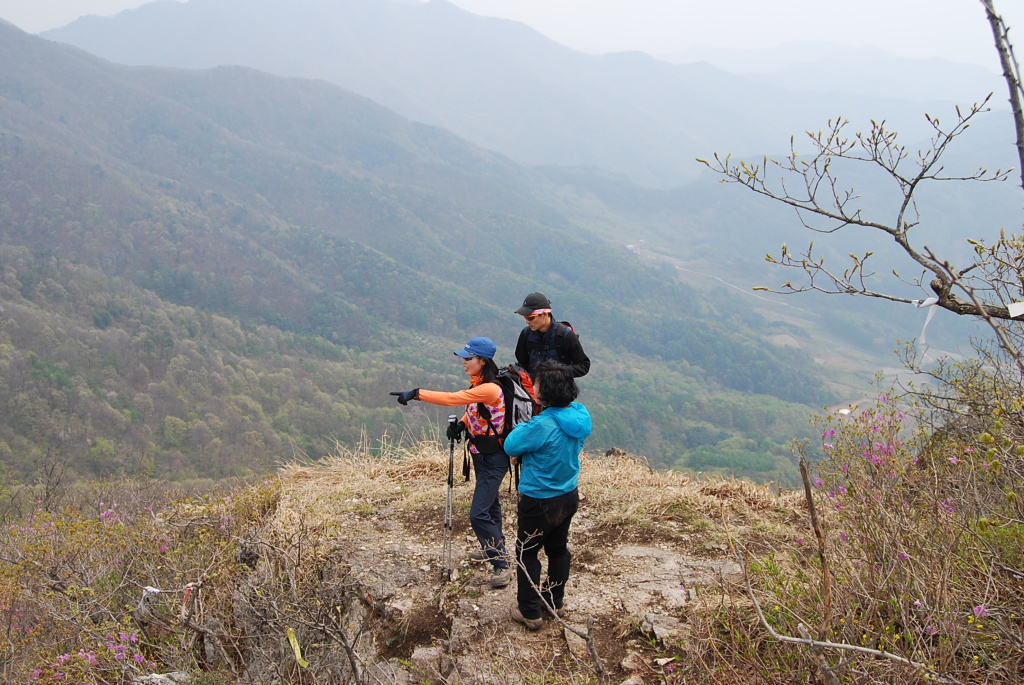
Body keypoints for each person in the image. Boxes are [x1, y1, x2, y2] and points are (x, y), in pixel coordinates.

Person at [390, 337, 513, 588]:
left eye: (468, 358)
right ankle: (492, 546)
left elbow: (453, 398)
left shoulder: (490, 388)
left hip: (494, 458)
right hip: (481, 454)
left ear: (483, 361)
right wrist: (462, 425)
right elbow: (473, 411)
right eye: (464, 358)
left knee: (478, 513)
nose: (464, 362)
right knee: (490, 507)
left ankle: (502, 562)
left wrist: (416, 394)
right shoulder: (480, 384)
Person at [503, 360, 592, 630]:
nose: (534, 386)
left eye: (538, 383)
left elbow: (511, 444)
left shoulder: (542, 425)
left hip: (538, 499)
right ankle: (554, 601)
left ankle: (529, 612)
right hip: (568, 493)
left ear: (546, 392)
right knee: (557, 548)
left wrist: (524, 442)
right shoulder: (579, 415)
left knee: (527, 553)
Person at [514, 292, 590, 379]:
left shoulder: (566, 335)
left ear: (544, 314)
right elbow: (522, 362)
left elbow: (584, 365)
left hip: (561, 390)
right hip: (533, 390)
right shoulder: (526, 334)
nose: (527, 321)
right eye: (525, 317)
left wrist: (560, 373)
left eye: (530, 318)